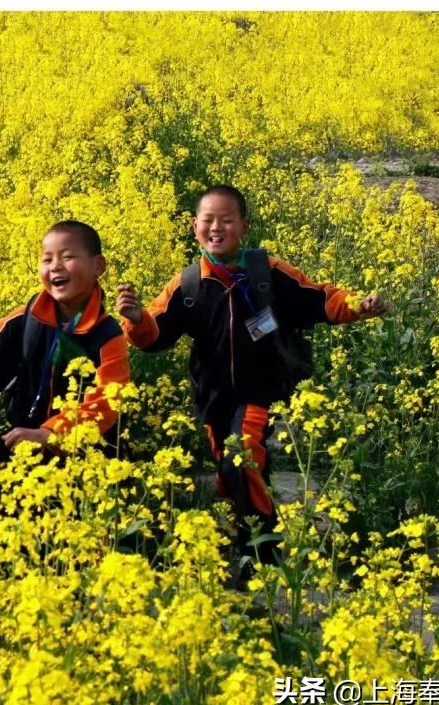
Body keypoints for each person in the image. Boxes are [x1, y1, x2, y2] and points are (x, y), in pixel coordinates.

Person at [115, 185, 389, 572]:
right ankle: (244, 524)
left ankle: (264, 545)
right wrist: (136, 318)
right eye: (208, 220)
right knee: (230, 473)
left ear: (244, 225)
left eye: (226, 220)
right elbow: (155, 334)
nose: (216, 227)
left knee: (241, 457)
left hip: (262, 389)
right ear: (194, 226)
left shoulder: (269, 273)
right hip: (212, 396)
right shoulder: (188, 284)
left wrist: (358, 306)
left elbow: (318, 298)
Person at [0, 220, 130, 456]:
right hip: (24, 446)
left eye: (68, 257)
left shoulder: (108, 336)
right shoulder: (27, 320)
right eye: (47, 259)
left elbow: (107, 402)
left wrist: (52, 434)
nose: (55, 267)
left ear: (98, 266)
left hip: (87, 457)